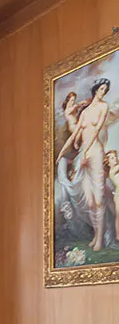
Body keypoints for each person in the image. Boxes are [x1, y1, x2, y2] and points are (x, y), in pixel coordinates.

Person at [59, 79, 113, 251]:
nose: (103, 92)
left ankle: (99, 239)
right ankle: (96, 234)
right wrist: (61, 153)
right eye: (101, 88)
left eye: (106, 89)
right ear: (95, 89)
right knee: (90, 202)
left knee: (98, 199)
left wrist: (86, 152)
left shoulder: (103, 106)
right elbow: (75, 135)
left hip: (95, 152)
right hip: (84, 155)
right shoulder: (84, 112)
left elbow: (96, 131)